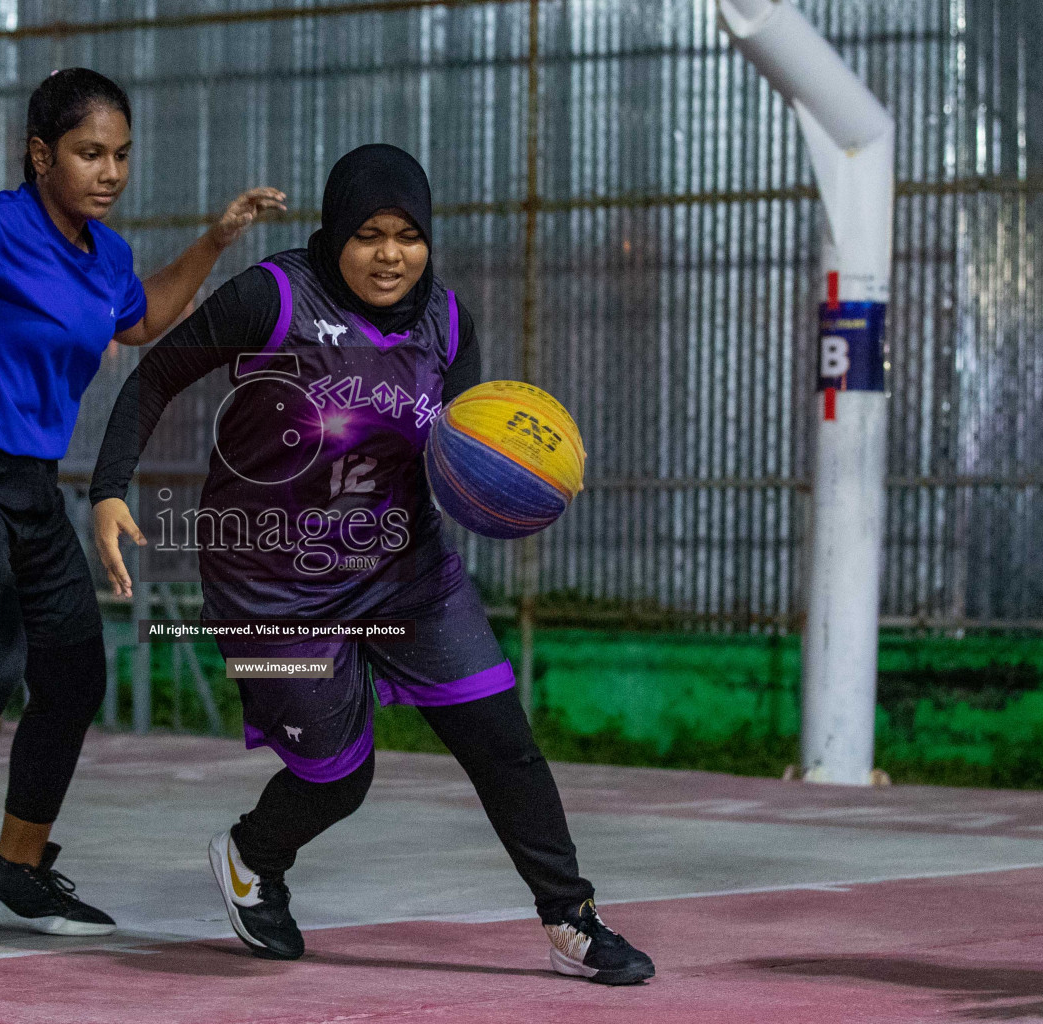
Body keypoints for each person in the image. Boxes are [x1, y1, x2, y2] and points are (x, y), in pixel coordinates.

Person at [90, 144, 654, 985]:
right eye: (368, 235)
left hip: (406, 571)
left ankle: (570, 916)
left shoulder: (449, 321)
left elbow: (460, 452)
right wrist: (108, 491)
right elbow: (156, 376)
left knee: (504, 744)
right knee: (338, 777)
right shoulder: (275, 298)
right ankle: (251, 856)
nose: (390, 254)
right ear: (335, 234)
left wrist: (508, 484)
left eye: (407, 236)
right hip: (268, 588)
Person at [0, 60, 285, 969]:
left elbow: (138, 318)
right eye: (88, 153)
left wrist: (215, 239)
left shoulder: (104, 251)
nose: (110, 170)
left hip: (27, 483)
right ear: (41, 155)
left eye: (121, 154)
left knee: (73, 671)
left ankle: (14, 871)